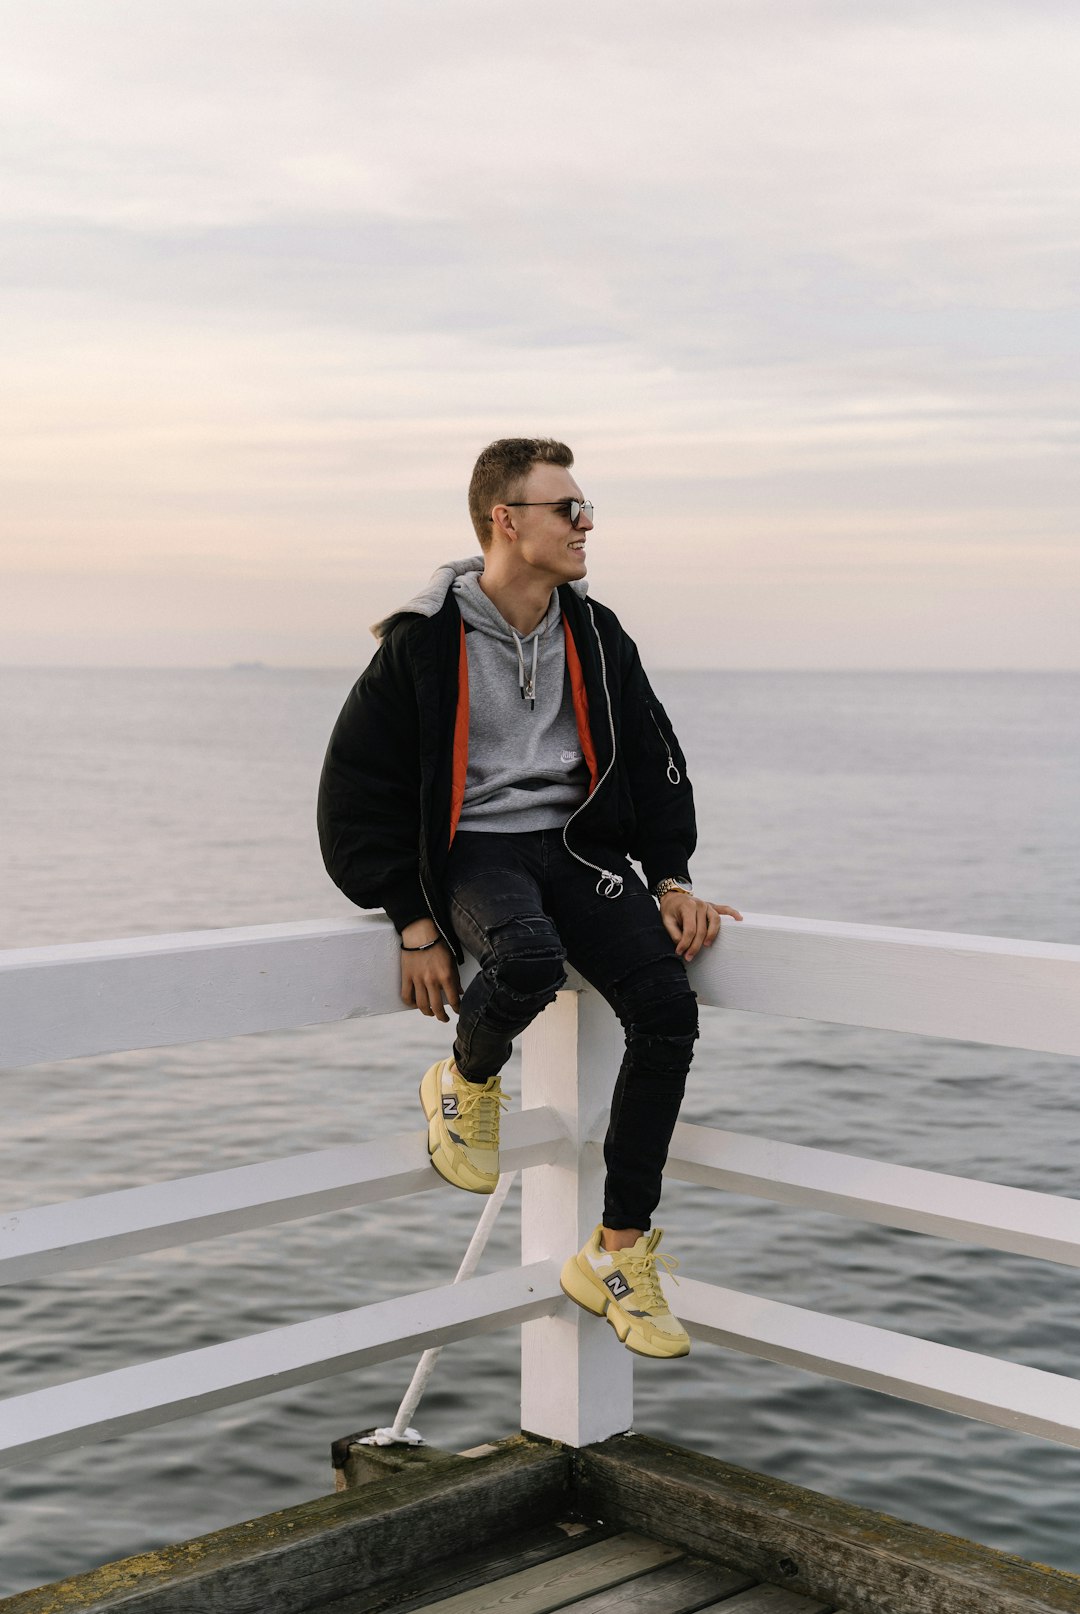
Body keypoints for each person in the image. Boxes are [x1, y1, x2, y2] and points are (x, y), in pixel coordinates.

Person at [318, 437, 742, 1359]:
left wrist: (670, 876)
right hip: (475, 853)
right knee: (528, 958)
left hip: (577, 845)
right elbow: (354, 794)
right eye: (568, 509)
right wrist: (413, 919)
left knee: (668, 1008)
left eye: (586, 508)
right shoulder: (423, 641)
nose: (586, 524)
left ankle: (617, 1252)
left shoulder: (594, 631)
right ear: (505, 521)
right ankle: (464, 1078)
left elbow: (659, 758)